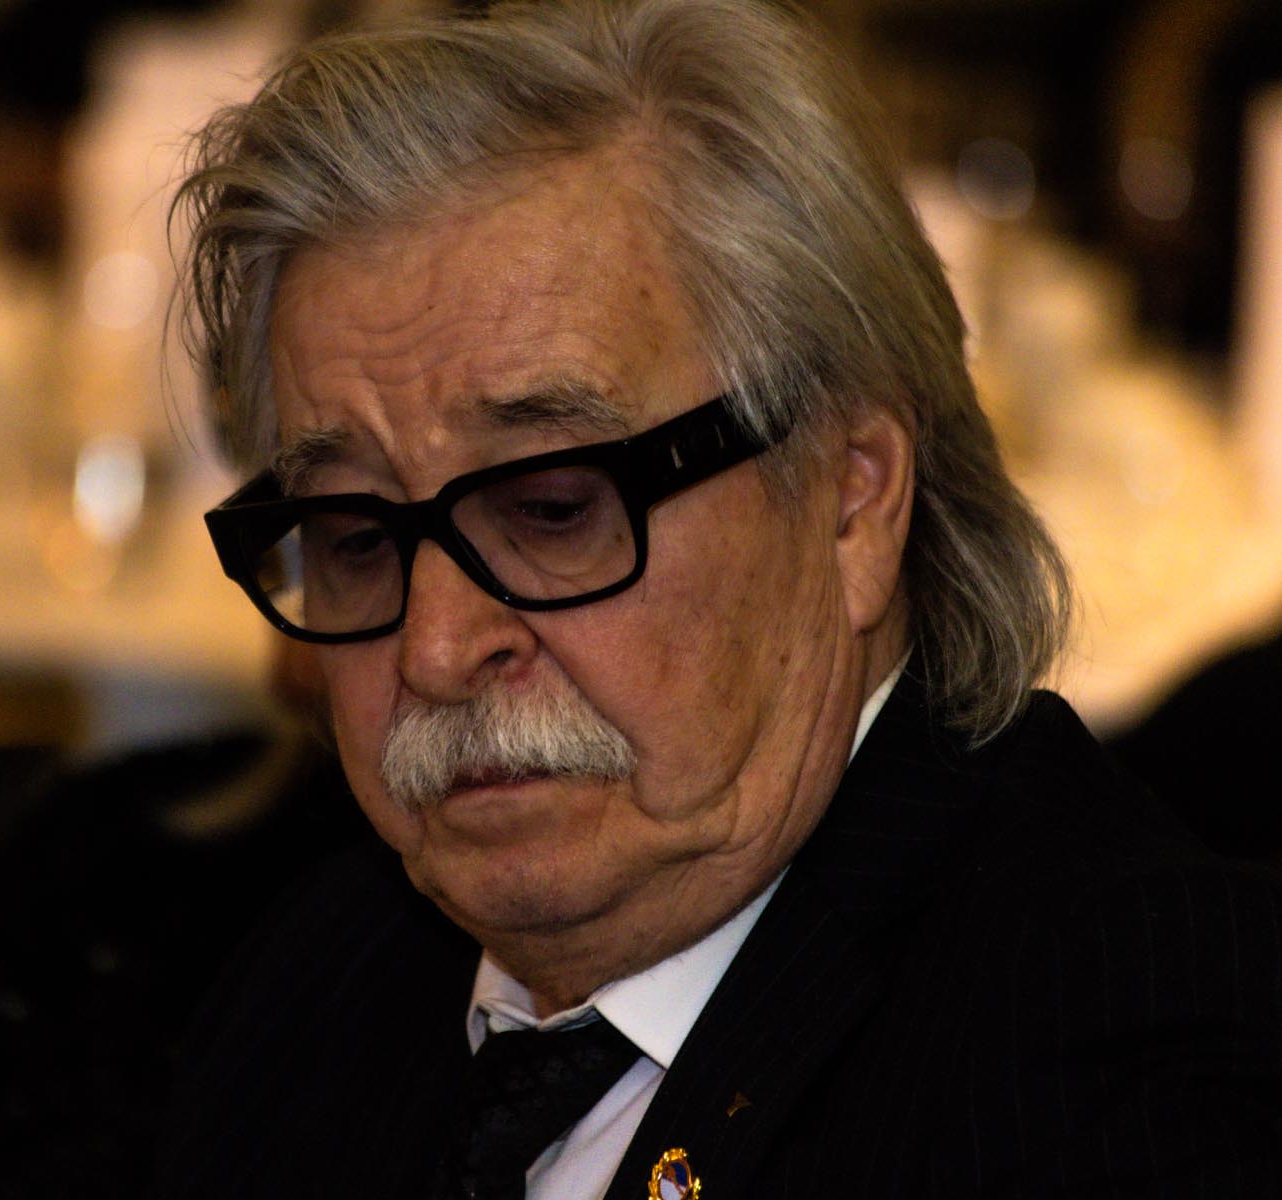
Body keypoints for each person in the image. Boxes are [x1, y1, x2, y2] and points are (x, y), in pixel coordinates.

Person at [159, 1, 1282, 1196]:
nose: (435, 647)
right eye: (355, 537)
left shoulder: (1137, 1072)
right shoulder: (314, 983)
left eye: (552, 510)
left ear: (851, 500)